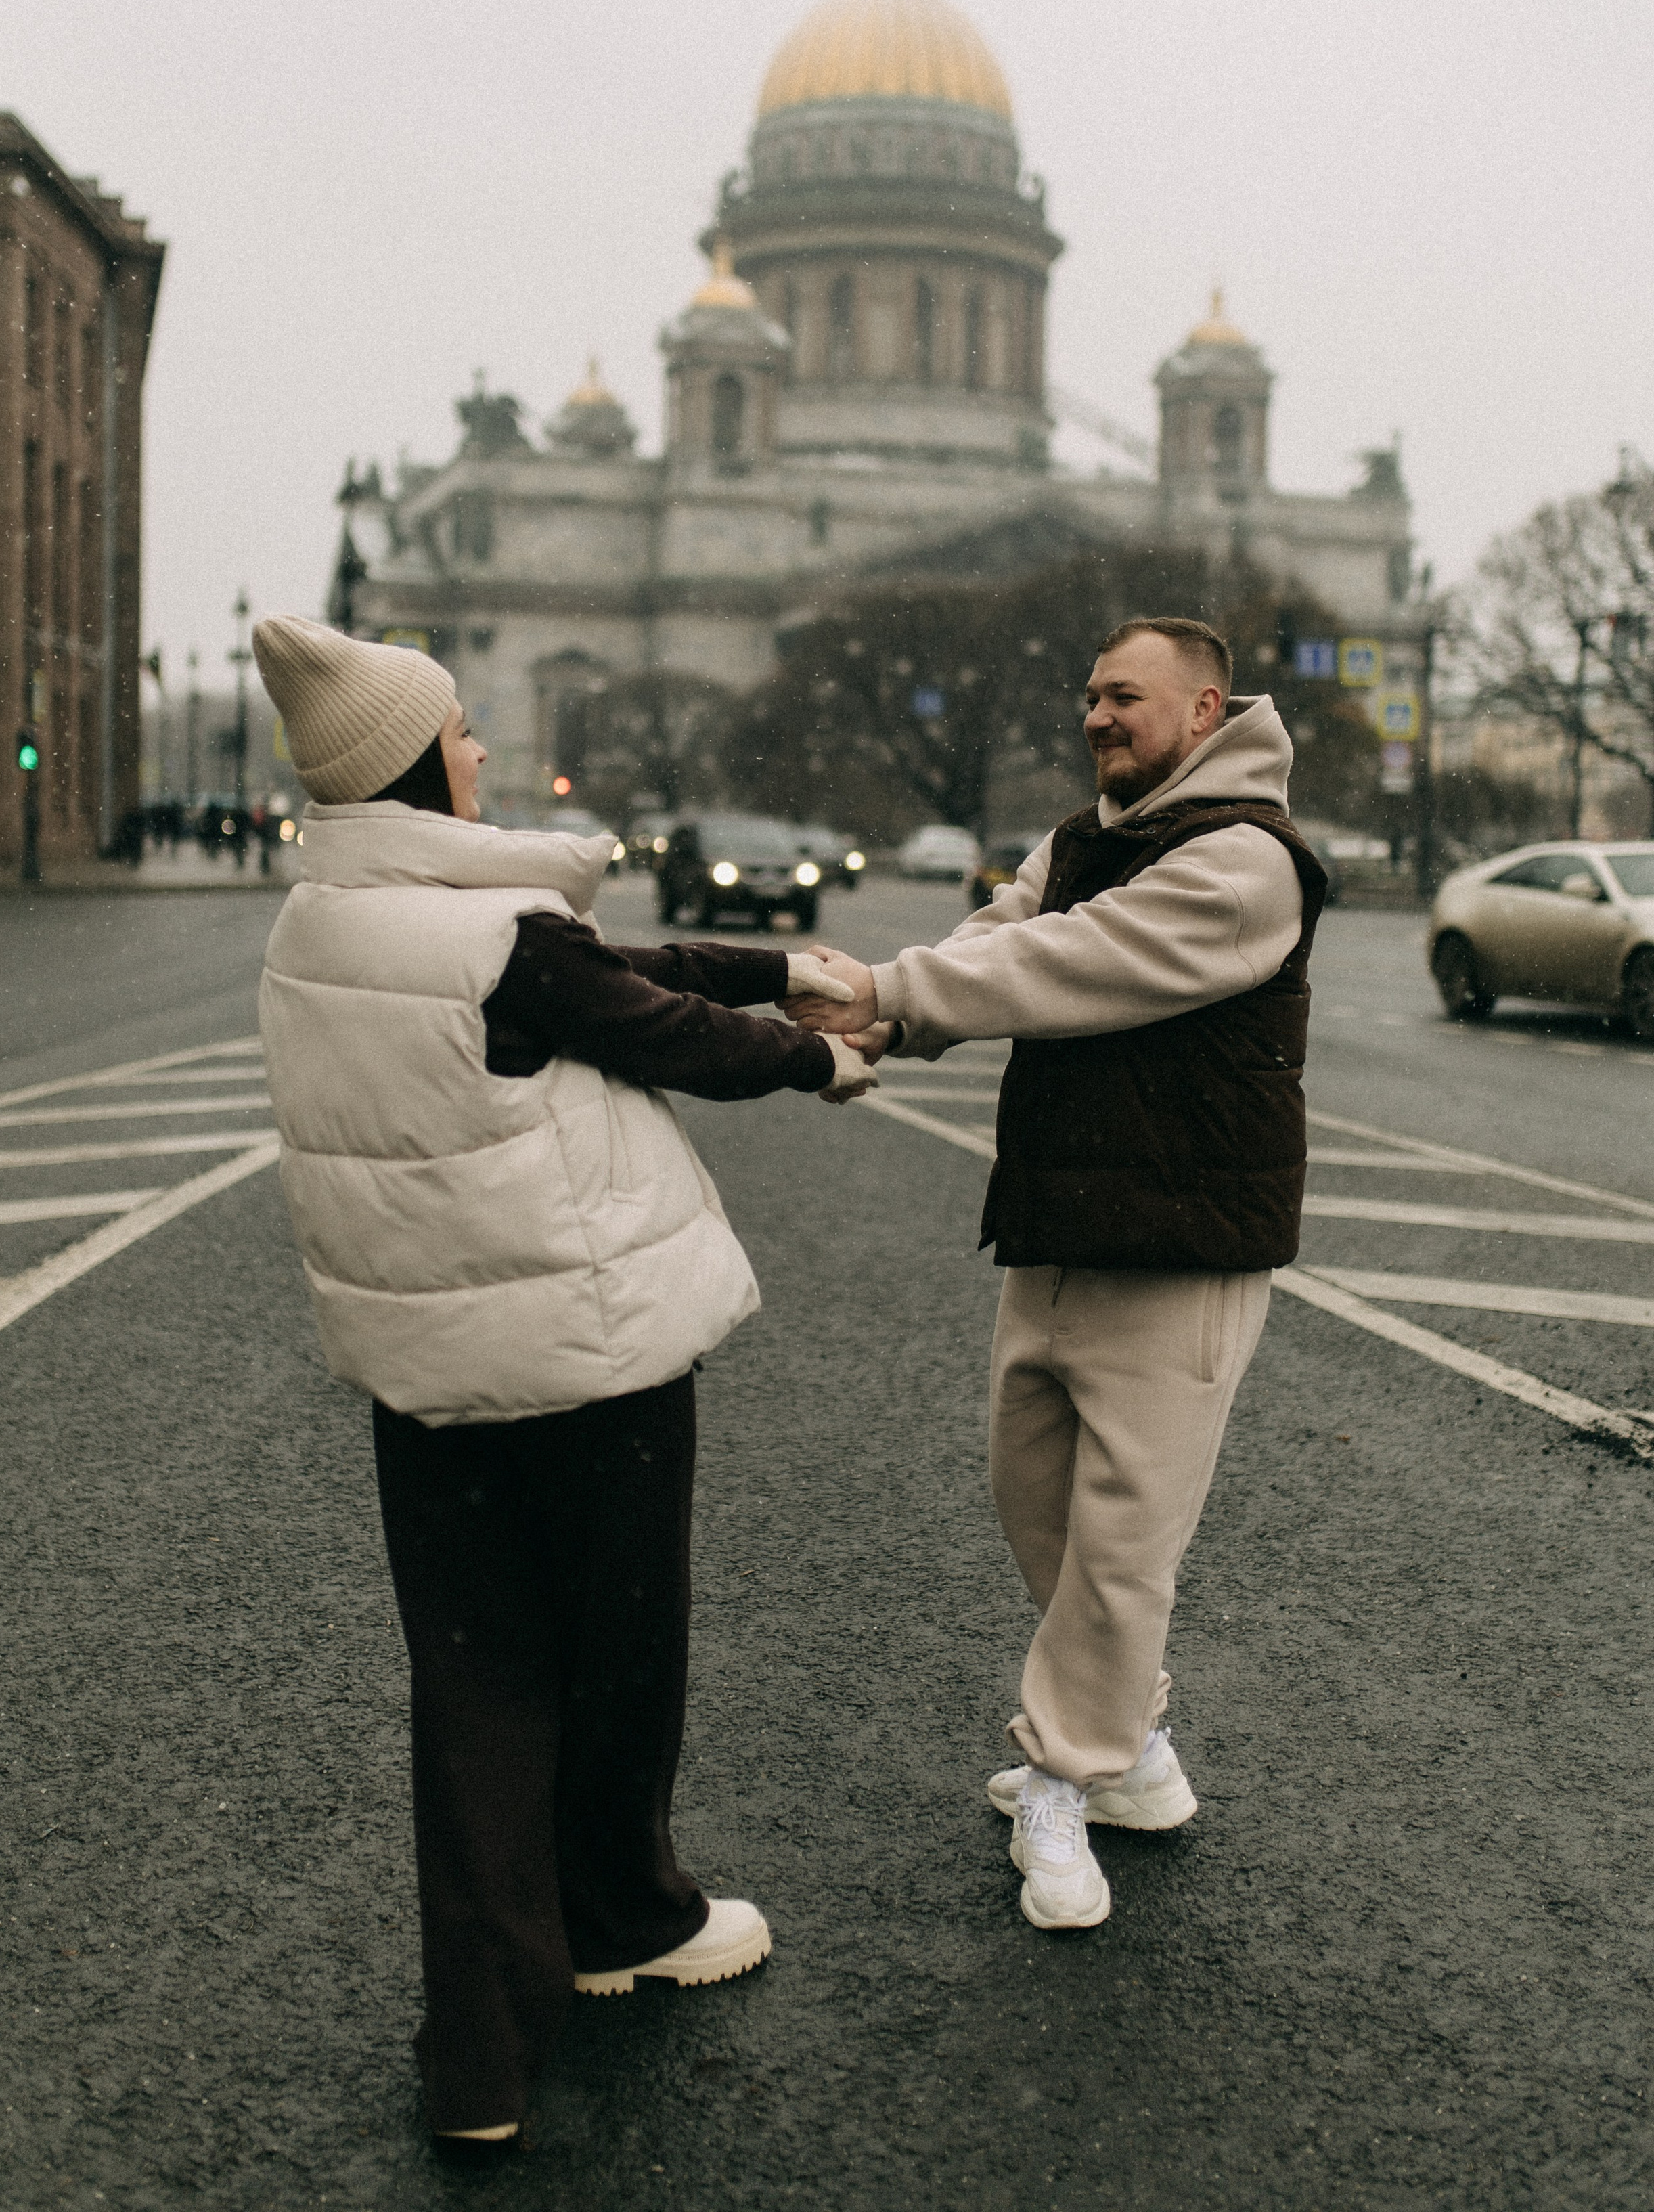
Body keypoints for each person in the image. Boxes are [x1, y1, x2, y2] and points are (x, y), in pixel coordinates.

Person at [250, 615, 876, 2150]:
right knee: (618, 1656)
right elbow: (649, 1020)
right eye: (456, 731)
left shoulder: (322, 923)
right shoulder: (495, 938)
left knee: (474, 1687)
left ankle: (476, 2052)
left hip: (426, 1377)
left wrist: (780, 961)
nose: (476, 750)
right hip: (585, 1363)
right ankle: (623, 1916)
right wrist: (815, 1055)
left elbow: (602, 967)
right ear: (410, 758)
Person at [786, 617, 1326, 1932]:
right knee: (1033, 1495)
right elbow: (1001, 932)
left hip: (1184, 1236)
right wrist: (886, 1013)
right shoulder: (1086, 836)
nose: (1096, 715)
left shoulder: (1247, 862)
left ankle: (1061, 1775)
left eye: (1124, 696)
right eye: (1087, 694)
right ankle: (1131, 1749)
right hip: (1062, 1213)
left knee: (1124, 1536)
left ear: (1205, 709)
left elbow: (1068, 959)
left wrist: (885, 985)